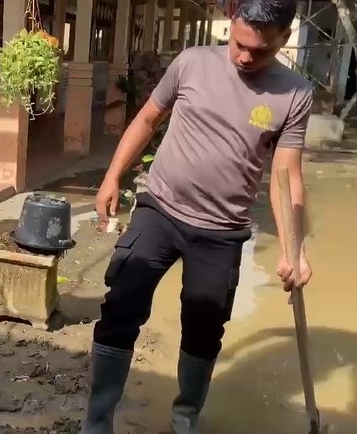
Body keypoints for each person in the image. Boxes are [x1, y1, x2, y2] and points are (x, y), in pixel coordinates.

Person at [83, 0, 313, 432]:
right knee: (121, 306)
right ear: (232, 20)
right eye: (239, 44)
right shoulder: (191, 63)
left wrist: (293, 250)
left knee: (205, 328)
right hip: (160, 210)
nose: (245, 57)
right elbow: (148, 118)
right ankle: (97, 422)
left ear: (284, 38)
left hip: (222, 232)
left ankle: (185, 415)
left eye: (260, 51)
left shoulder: (295, 94)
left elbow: (287, 175)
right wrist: (112, 176)